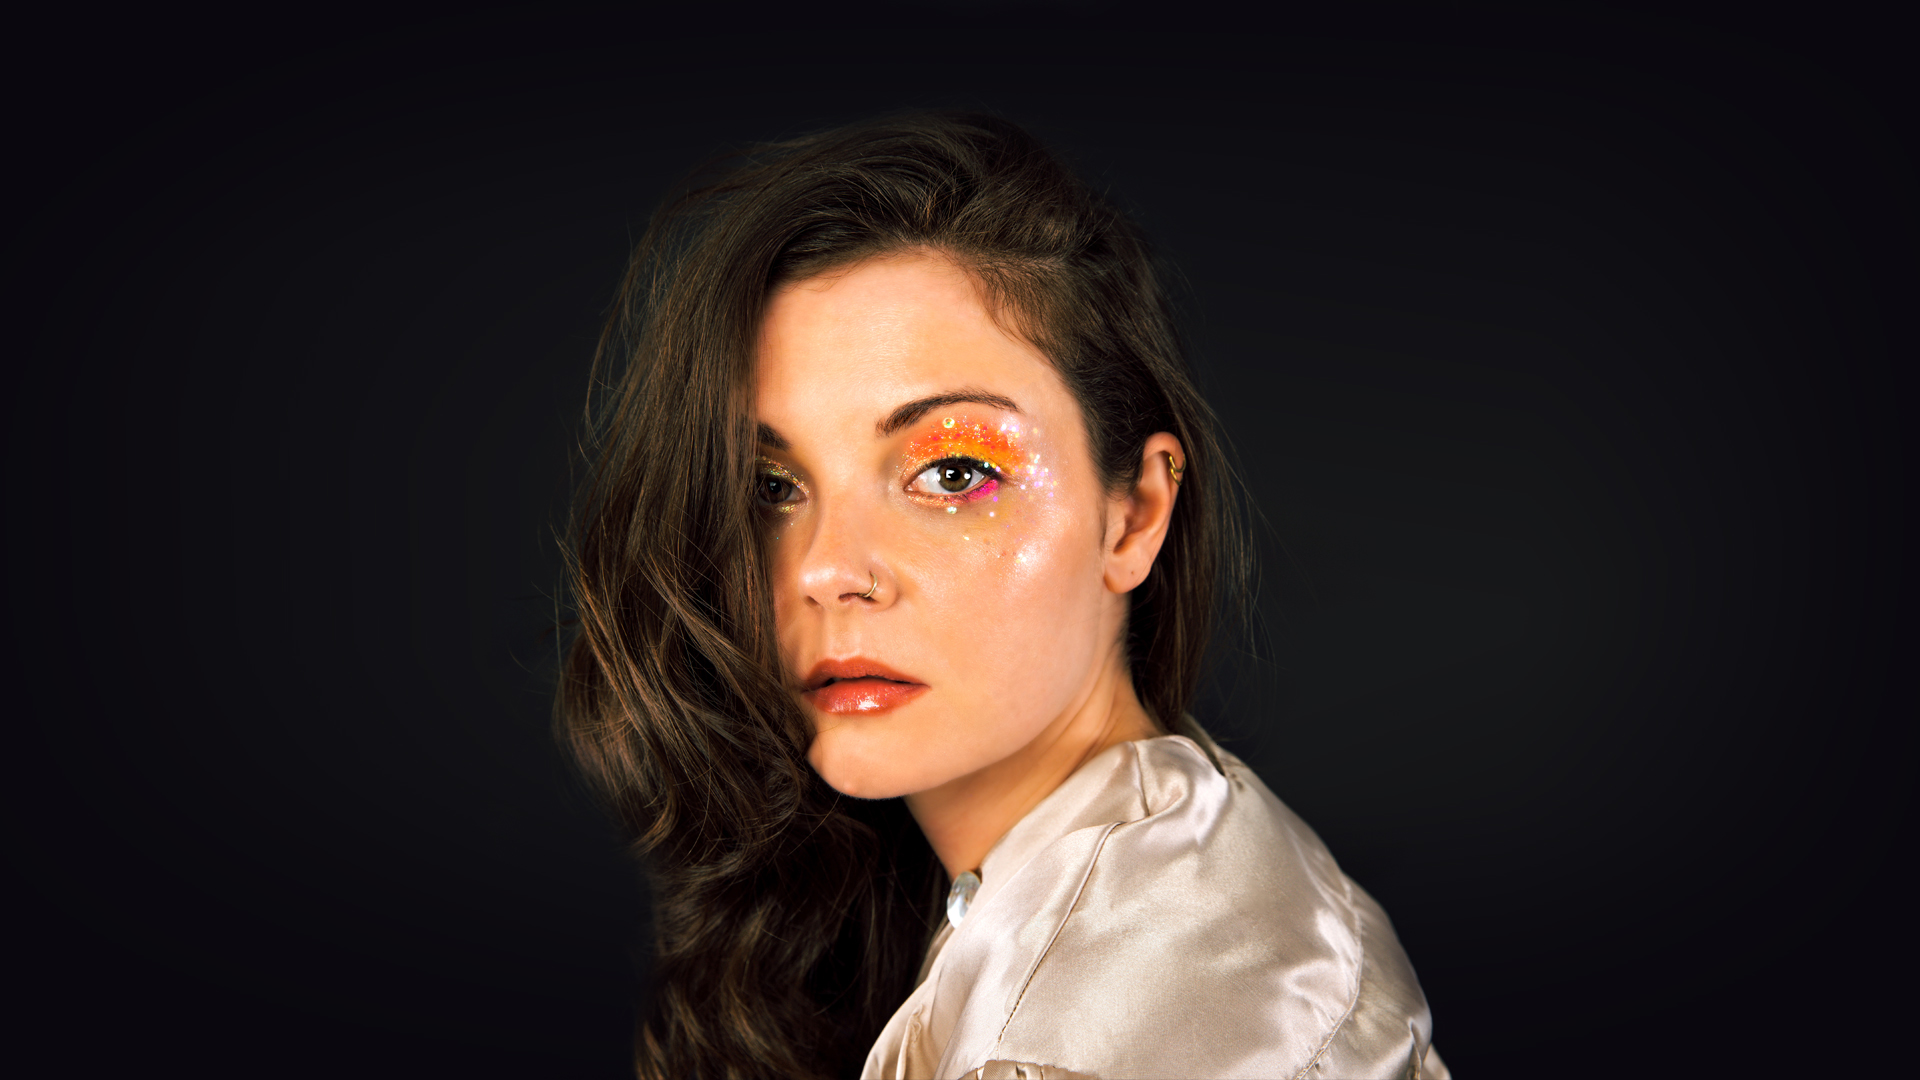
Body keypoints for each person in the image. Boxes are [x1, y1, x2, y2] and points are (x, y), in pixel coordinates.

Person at [556, 111, 1445, 1080]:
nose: (824, 569)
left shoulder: (1079, 1036)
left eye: (952, 473)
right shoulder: (1169, 858)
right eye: (774, 487)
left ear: (1135, 516)